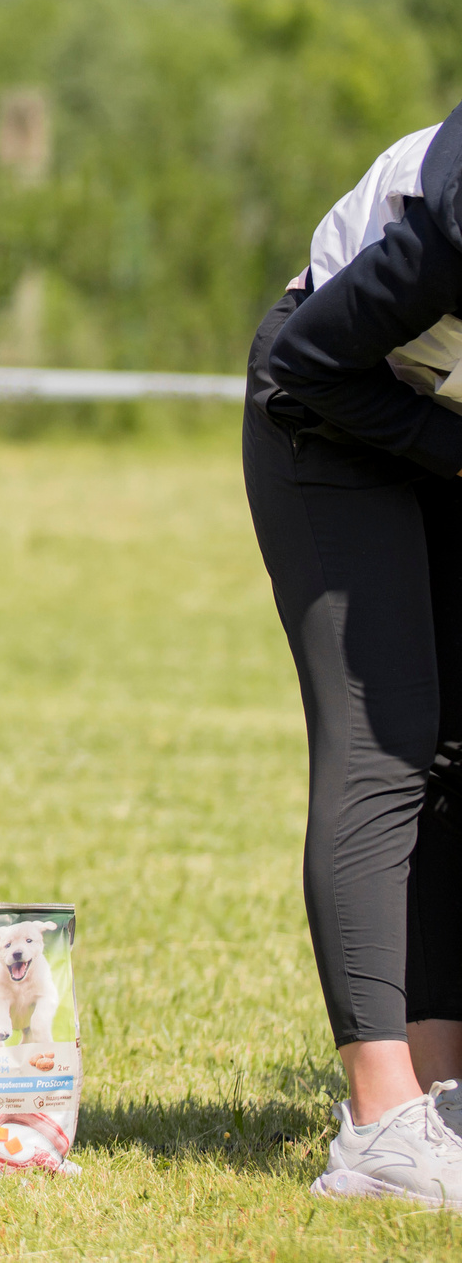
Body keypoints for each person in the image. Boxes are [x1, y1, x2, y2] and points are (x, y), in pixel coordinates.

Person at [246, 105, 462, 1207]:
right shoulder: (450, 227)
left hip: (441, 414)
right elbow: (311, 361)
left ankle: (442, 1092)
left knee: (457, 750)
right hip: (323, 406)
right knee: (385, 743)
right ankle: (380, 1131)